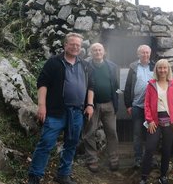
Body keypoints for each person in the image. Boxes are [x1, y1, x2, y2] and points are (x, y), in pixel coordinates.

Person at [28, 33, 94, 184]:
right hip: (56, 112)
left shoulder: (85, 65)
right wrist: (42, 106)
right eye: (72, 44)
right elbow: (42, 84)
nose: (76, 47)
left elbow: (91, 86)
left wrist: (89, 104)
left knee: (71, 144)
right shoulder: (54, 62)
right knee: (46, 142)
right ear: (65, 45)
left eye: (78, 45)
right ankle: (35, 176)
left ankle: (63, 175)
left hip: (77, 112)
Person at [139, 59, 173, 184]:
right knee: (150, 148)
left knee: (167, 149)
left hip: (170, 122)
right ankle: (144, 177)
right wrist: (150, 120)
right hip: (155, 121)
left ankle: (163, 176)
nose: (162, 70)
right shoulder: (151, 84)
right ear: (156, 70)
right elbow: (146, 104)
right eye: (160, 68)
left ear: (168, 69)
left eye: (165, 68)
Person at [82, 42, 120, 172]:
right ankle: (92, 160)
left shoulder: (112, 66)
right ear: (91, 53)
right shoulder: (86, 66)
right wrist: (88, 104)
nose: (97, 52)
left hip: (109, 104)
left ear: (104, 52)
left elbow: (116, 85)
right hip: (92, 105)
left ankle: (114, 159)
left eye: (100, 50)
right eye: (95, 50)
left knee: (112, 133)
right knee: (89, 133)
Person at [124, 45, 155, 168]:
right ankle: (138, 158)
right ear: (138, 54)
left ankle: (149, 158)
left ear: (150, 53)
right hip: (137, 106)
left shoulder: (154, 66)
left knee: (150, 133)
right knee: (137, 134)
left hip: (151, 108)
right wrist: (128, 105)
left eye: (147, 52)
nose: (145, 55)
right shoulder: (133, 67)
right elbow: (128, 87)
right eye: (143, 53)